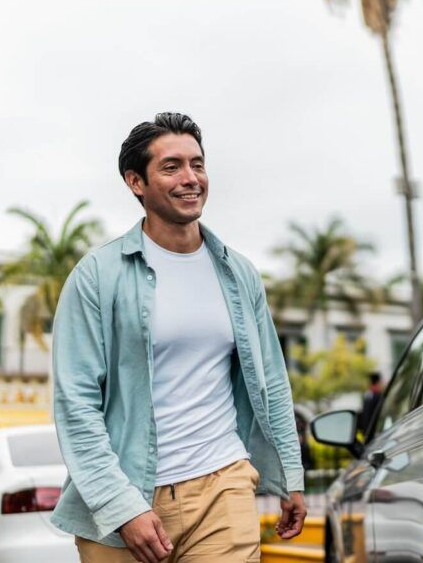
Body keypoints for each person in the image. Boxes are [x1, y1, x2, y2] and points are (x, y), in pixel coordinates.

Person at [51, 112, 306, 563]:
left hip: (222, 485)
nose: (191, 178)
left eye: (198, 164)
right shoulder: (97, 275)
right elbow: (76, 402)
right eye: (171, 167)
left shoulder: (238, 272)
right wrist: (122, 507)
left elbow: (271, 381)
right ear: (136, 181)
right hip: (124, 496)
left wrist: (291, 475)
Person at [358, 372, 384, 437]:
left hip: (368, 430)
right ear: (378, 382)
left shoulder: (367, 394)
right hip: (375, 430)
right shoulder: (378, 395)